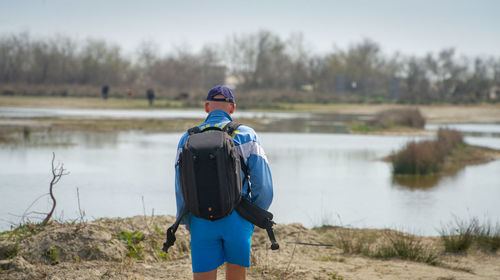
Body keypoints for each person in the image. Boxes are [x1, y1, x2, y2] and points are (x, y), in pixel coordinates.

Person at [174, 85, 273, 280]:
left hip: (200, 218)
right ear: (232, 108)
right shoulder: (247, 135)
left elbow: (180, 188)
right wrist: (252, 215)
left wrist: (187, 219)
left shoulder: (187, 138)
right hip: (238, 217)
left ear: (206, 107)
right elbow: (264, 186)